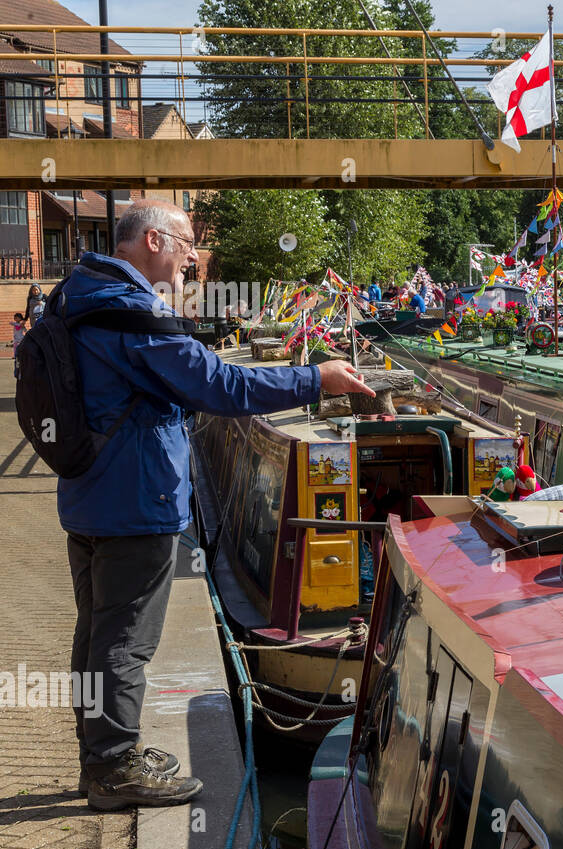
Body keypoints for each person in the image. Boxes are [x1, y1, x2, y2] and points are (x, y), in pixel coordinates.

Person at [57, 199, 375, 810]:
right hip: (136, 503)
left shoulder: (81, 295)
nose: (192, 259)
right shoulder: (132, 313)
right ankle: (113, 770)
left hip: (89, 495)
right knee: (123, 641)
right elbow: (221, 385)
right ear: (151, 241)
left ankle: (101, 753)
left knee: (95, 634)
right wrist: (316, 378)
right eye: (184, 244)